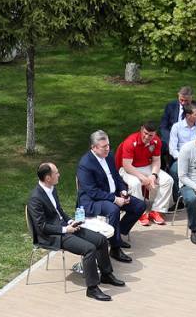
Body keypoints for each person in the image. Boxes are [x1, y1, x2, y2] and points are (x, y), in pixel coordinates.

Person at [28, 161, 124, 301]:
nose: (59, 175)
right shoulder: (35, 198)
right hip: (53, 235)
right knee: (89, 249)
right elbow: (41, 227)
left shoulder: (52, 189)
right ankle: (92, 288)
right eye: (56, 173)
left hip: (65, 227)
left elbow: (58, 211)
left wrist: (70, 222)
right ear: (48, 178)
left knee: (101, 240)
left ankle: (106, 274)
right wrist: (65, 229)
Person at [77, 130, 145, 258]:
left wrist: (123, 191)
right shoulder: (85, 164)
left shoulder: (108, 156)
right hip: (93, 201)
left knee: (139, 206)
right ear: (94, 147)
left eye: (108, 145)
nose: (107, 149)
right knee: (113, 209)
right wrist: (115, 199)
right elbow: (92, 192)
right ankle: (115, 248)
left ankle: (116, 236)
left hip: (113, 194)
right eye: (104, 147)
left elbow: (116, 177)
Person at [116, 122, 173, 227]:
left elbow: (156, 161)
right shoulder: (130, 141)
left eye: (150, 135)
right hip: (128, 168)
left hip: (147, 166)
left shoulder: (156, 141)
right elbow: (127, 165)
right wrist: (143, 178)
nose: (147, 137)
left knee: (168, 180)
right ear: (142, 129)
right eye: (145, 133)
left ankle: (157, 210)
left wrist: (153, 175)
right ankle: (139, 212)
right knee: (135, 183)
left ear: (155, 134)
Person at [160, 86, 194, 154]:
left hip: (190, 138)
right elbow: (163, 126)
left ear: (191, 98)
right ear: (178, 96)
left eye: (186, 101)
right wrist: (170, 140)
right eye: (181, 100)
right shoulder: (170, 106)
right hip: (171, 137)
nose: (183, 103)